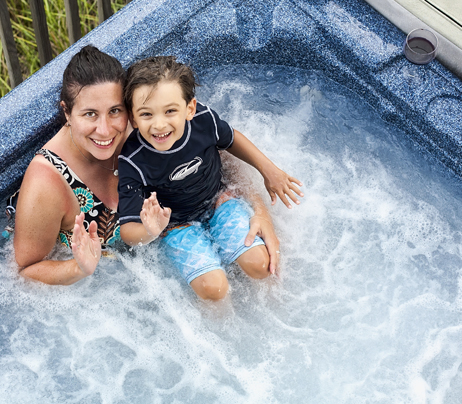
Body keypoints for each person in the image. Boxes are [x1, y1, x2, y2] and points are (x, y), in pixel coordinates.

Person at [11, 46, 301, 286]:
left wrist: (260, 211)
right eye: (89, 114)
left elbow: (213, 153)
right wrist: (79, 269)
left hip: (182, 234)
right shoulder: (46, 183)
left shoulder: (146, 123)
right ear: (67, 112)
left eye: (115, 111)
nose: (105, 130)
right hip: (112, 279)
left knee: (259, 269)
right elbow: (26, 270)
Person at [118, 56, 303, 300]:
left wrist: (268, 170)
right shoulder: (132, 161)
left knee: (260, 264)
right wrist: (152, 230)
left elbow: (231, 139)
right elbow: (127, 230)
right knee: (213, 290)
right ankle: (221, 331)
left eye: (170, 111)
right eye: (146, 114)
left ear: (190, 108)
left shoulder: (203, 121)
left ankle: (280, 308)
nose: (159, 124)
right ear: (133, 118)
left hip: (219, 201)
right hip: (176, 225)